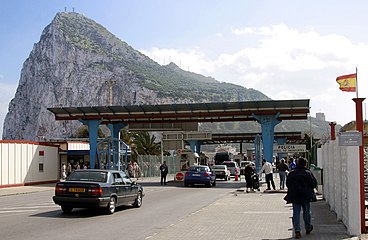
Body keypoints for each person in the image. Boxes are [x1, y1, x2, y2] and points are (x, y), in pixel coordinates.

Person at [285, 157, 317, 239]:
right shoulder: (307, 173)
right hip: (306, 196)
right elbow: (314, 184)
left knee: (296, 213)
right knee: (306, 212)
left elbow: (287, 184)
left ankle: (297, 231)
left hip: (295, 196)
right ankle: (308, 227)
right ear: (305, 164)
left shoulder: (291, 173)